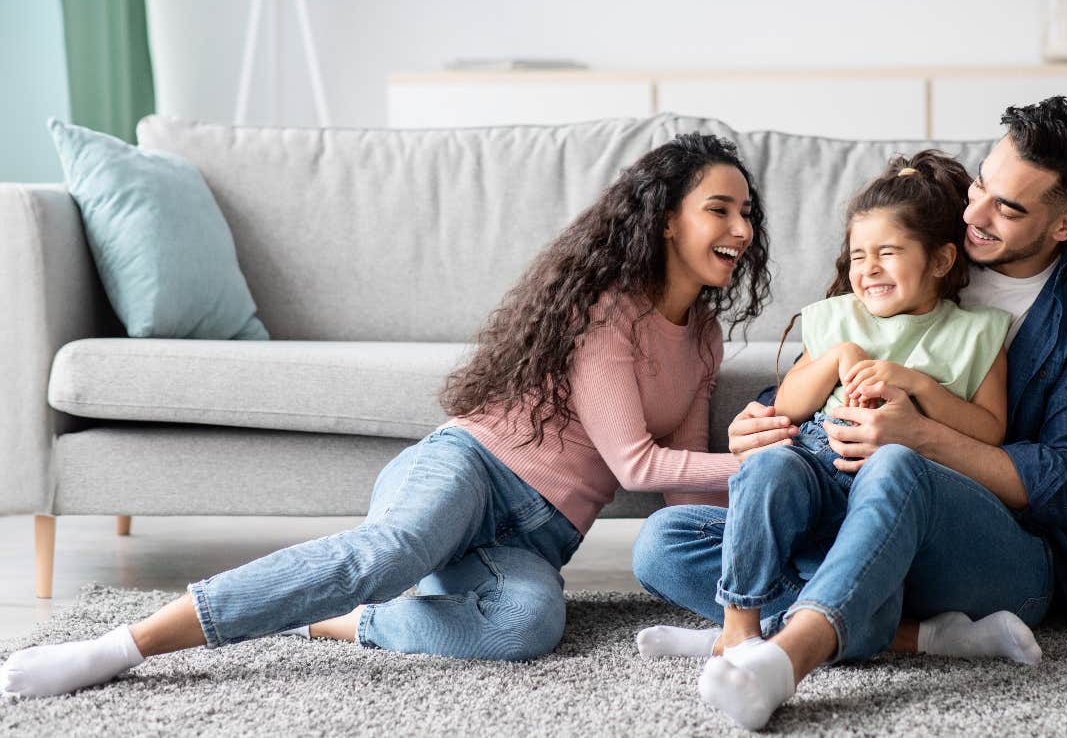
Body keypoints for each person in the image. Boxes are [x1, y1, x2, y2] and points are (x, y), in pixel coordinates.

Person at [0, 133, 772, 699]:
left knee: (526, 626)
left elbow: (681, 496)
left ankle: (339, 620)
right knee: (390, 554)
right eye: (720, 209)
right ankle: (122, 645)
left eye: (746, 213)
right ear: (667, 219)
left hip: (539, 535)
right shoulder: (610, 311)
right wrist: (764, 463)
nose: (740, 229)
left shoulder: (701, 338)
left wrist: (766, 532)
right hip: (472, 468)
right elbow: (637, 465)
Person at [631, 96, 1067, 731]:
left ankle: (786, 659)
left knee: (895, 464)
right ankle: (914, 634)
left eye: (1007, 209)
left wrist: (921, 433)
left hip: (984, 551)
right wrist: (764, 421)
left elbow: (1065, 484)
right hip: (846, 516)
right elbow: (834, 370)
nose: (974, 215)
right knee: (665, 540)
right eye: (982, 182)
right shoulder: (922, 230)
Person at [635, 150, 1026, 669]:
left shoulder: (977, 333)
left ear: (940, 260)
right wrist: (839, 357)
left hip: (890, 505)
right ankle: (742, 629)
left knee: (873, 507)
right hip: (812, 482)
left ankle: (801, 631)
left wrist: (919, 388)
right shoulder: (836, 319)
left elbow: (990, 430)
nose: (869, 269)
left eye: (888, 252)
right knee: (668, 535)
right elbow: (790, 407)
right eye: (859, 255)